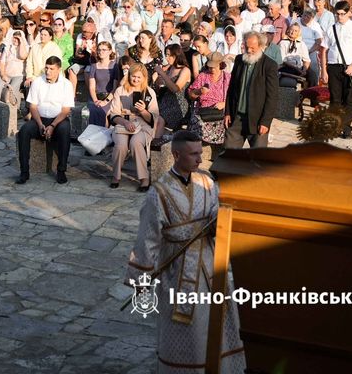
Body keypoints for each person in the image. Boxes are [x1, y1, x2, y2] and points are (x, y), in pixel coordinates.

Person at [124, 130, 246, 373]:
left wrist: (218, 220)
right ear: (177, 155)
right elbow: (148, 239)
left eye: (201, 153)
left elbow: (216, 212)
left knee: (218, 320)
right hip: (177, 270)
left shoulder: (208, 182)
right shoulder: (157, 193)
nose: (200, 159)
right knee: (187, 331)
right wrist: (142, 280)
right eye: (194, 154)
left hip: (212, 267)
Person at [16, 56, 74, 185]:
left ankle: (61, 170)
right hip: (40, 118)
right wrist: (40, 124)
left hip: (58, 119)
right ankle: (24, 171)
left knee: (65, 130)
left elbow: (65, 110)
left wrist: (53, 125)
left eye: (52, 69)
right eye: (46, 68)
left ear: (59, 69)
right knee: (24, 131)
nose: (48, 71)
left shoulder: (66, 84)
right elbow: (33, 106)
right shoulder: (37, 82)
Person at [107, 62, 159, 191]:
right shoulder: (120, 90)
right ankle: (116, 175)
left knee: (136, 143)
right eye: (133, 76)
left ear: (144, 78)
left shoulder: (149, 92)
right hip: (123, 124)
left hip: (142, 125)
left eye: (139, 77)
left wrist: (143, 111)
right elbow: (113, 114)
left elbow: (154, 118)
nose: (135, 79)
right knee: (120, 144)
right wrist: (125, 122)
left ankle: (144, 178)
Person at [223, 31, 277, 149]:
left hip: (257, 119)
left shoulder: (269, 65)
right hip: (237, 117)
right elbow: (231, 88)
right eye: (247, 47)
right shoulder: (239, 60)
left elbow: (272, 97)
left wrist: (266, 121)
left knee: (258, 160)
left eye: (253, 48)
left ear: (261, 46)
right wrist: (227, 112)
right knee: (229, 156)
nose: (249, 50)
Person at [325, 0, 352, 139]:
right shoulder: (331, 28)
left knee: (349, 100)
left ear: (349, 13)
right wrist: (323, 69)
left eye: (343, 14)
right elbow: (324, 49)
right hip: (333, 66)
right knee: (335, 99)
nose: (340, 17)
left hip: (350, 67)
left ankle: (346, 127)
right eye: (337, 14)